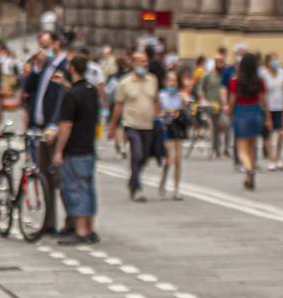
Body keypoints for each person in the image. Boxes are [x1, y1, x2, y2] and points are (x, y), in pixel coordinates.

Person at [51, 52, 100, 244]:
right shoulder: (91, 90)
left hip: (74, 150)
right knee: (88, 189)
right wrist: (66, 85)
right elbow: (80, 95)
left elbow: (66, 125)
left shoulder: (71, 96)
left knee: (74, 190)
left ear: (71, 69)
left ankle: (79, 231)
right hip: (88, 148)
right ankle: (89, 228)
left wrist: (58, 150)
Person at [25, 31, 69, 235]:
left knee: (60, 176)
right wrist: (37, 67)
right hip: (40, 129)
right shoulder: (46, 67)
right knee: (44, 176)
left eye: (46, 46)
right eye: (40, 45)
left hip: (54, 130)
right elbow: (29, 89)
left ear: (57, 44)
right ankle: (49, 223)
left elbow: (63, 98)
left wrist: (54, 124)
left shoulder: (64, 67)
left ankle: (70, 222)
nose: (41, 50)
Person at [108, 49, 158, 203]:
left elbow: (155, 100)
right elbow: (118, 105)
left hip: (148, 125)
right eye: (142, 61)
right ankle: (137, 189)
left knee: (144, 158)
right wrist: (113, 126)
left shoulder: (152, 79)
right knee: (136, 154)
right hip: (131, 125)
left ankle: (133, 180)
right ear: (134, 64)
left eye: (146, 61)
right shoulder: (125, 82)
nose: (145, 64)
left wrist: (160, 116)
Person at [228, 53, 266, 191]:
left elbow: (232, 100)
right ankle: (248, 178)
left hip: (241, 112)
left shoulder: (235, 81)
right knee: (251, 146)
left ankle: (249, 170)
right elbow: (264, 100)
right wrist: (267, 117)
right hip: (255, 112)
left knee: (241, 150)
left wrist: (229, 112)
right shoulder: (259, 81)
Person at [158, 67, 191, 200]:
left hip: (177, 128)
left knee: (178, 160)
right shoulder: (161, 96)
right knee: (169, 159)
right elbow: (159, 114)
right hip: (166, 128)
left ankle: (176, 189)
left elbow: (184, 112)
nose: (172, 83)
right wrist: (168, 113)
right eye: (170, 80)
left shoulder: (179, 96)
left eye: (174, 81)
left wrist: (184, 104)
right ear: (166, 81)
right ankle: (163, 181)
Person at [260, 53, 283, 171]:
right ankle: (271, 159)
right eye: (273, 60)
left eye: (276, 59)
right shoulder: (263, 73)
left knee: (282, 133)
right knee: (268, 134)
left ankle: (278, 157)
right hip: (267, 107)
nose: (275, 62)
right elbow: (262, 92)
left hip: (280, 107)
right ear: (267, 62)